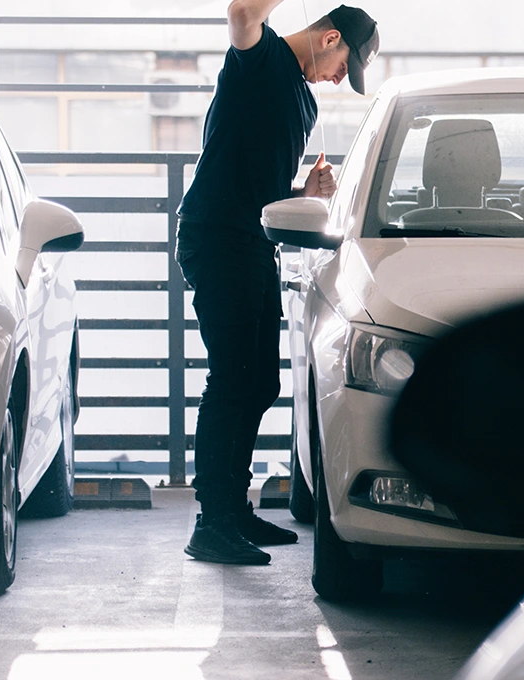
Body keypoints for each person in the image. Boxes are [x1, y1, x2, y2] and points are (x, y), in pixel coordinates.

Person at [178, 1, 379, 566]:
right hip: (216, 237)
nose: (341, 78)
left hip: (250, 239)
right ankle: (211, 522)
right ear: (329, 37)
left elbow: (259, 177)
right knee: (233, 378)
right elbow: (242, 9)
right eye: (345, 64)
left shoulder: (302, 96)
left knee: (261, 379)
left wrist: (305, 193)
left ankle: (233, 511)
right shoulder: (259, 57)